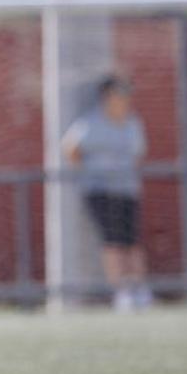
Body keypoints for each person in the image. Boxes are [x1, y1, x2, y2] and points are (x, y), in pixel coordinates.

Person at [62, 74, 151, 312]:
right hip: (99, 191)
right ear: (106, 97)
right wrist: (91, 172)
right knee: (112, 241)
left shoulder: (132, 123)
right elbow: (70, 149)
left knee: (131, 241)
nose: (124, 100)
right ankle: (122, 292)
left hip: (126, 190)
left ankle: (140, 290)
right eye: (118, 94)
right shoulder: (90, 123)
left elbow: (138, 154)